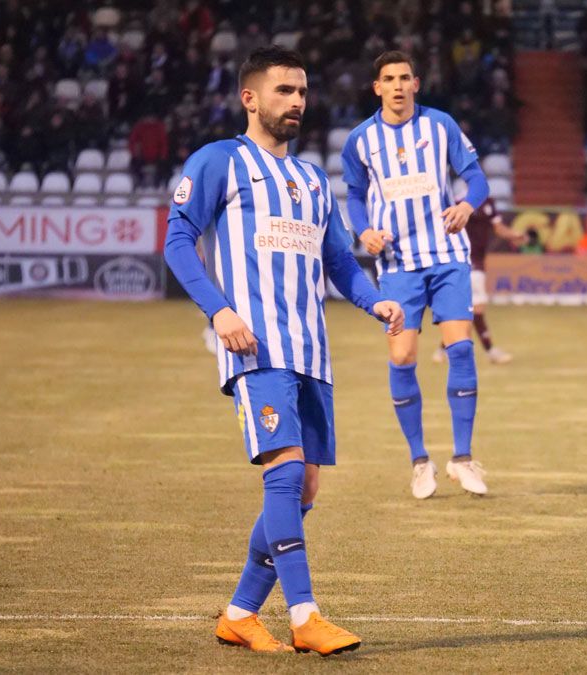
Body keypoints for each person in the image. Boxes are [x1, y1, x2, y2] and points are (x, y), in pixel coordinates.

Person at [162, 46, 404, 657]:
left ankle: (241, 613)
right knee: (286, 471)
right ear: (250, 98)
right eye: (283, 91)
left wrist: (373, 301)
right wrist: (219, 310)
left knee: (303, 492)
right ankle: (305, 617)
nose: (296, 101)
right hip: (255, 347)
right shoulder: (219, 161)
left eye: (302, 91)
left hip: (312, 355)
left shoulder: (312, 179)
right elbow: (179, 241)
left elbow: (340, 262)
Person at [341, 51, 491, 500]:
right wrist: (364, 230)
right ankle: (419, 461)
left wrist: (467, 205)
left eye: (405, 78)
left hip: (447, 256)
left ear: (416, 83)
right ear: (377, 88)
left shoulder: (440, 125)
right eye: (389, 79)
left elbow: (476, 178)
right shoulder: (360, 140)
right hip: (397, 264)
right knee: (403, 357)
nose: (398, 86)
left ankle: (462, 459)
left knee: (460, 349)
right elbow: (353, 195)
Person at [434, 195, 524, 364]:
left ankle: (443, 349)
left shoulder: (486, 201)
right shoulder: (457, 201)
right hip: (468, 262)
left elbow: (498, 228)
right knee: (476, 309)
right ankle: (490, 351)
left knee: (466, 309)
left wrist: (514, 235)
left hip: (472, 262)